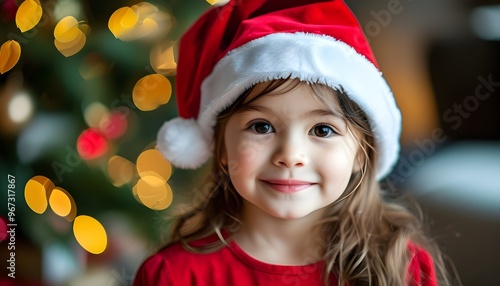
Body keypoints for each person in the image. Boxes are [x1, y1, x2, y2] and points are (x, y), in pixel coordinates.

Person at [134, 0, 451, 285]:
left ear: (361, 152)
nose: (290, 156)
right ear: (220, 146)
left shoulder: (402, 266)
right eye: (261, 126)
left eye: (323, 130)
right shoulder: (172, 274)